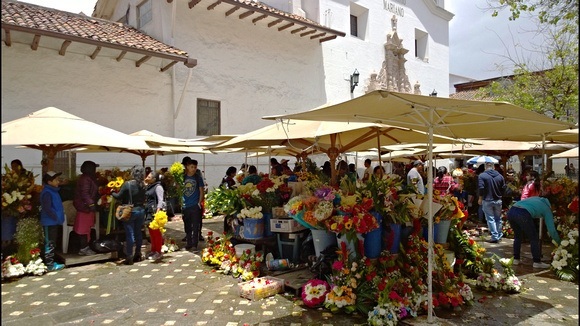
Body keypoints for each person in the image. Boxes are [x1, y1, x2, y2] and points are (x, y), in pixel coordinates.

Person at [507, 197, 561, 269]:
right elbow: (552, 231)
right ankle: (537, 262)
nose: (553, 211)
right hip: (523, 213)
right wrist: (560, 243)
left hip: (511, 211)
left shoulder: (537, 199)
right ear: (553, 205)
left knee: (517, 236)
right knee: (534, 238)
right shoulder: (547, 208)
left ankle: (516, 259)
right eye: (554, 209)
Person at [112, 166, 147, 265]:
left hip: (130, 211)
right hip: (141, 210)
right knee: (138, 233)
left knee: (130, 234)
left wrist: (112, 192)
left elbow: (118, 196)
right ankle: (138, 253)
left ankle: (129, 256)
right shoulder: (143, 185)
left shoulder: (128, 184)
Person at [40, 171, 65, 271]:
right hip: (49, 222)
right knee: (49, 242)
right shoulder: (47, 192)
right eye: (56, 180)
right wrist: (55, 217)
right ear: (49, 182)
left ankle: (51, 262)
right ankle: (50, 264)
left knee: (52, 242)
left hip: (54, 222)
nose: (58, 181)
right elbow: (47, 208)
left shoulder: (54, 191)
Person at [73, 160, 99, 256]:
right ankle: (83, 248)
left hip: (86, 207)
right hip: (85, 208)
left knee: (86, 228)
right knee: (83, 229)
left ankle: (85, 247)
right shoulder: (85, 179)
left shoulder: (88, 178)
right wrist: (91, 204)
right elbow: (85, 193)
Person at [478, 162, 506, 243]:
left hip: (487, 199)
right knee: (498, 218)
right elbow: (504, 187)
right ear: (494, 167)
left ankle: (494, 236)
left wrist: (480, 198)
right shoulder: (500, 176)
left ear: (485, 167)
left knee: (490, 218)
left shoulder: (482, 176)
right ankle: (499, 234)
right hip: (498, 200)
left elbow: (481, 188)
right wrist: (500, 195)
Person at [181, 158, 205, 251]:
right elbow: (179, 188)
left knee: (195, 226)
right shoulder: (183, 177)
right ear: (187, 167)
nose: (194, 169)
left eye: (195, 167)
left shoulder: (197, 177)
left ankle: (194, 244)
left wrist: (199, 202)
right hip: (185, 205)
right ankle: (189, 243)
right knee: (187, 225)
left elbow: (201, 191)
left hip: (195, 205)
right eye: (192, 167)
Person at [144, 171, 166, 261]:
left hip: (155, 212)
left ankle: (158, 251)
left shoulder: (158, 187)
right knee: (151, 233)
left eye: (149, 177)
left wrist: (157, 212)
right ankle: (153, 250)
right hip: (149, 211)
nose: (147, 178)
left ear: (154, 179)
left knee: (156, 233)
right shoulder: (149, 186)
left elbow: (160, 200)